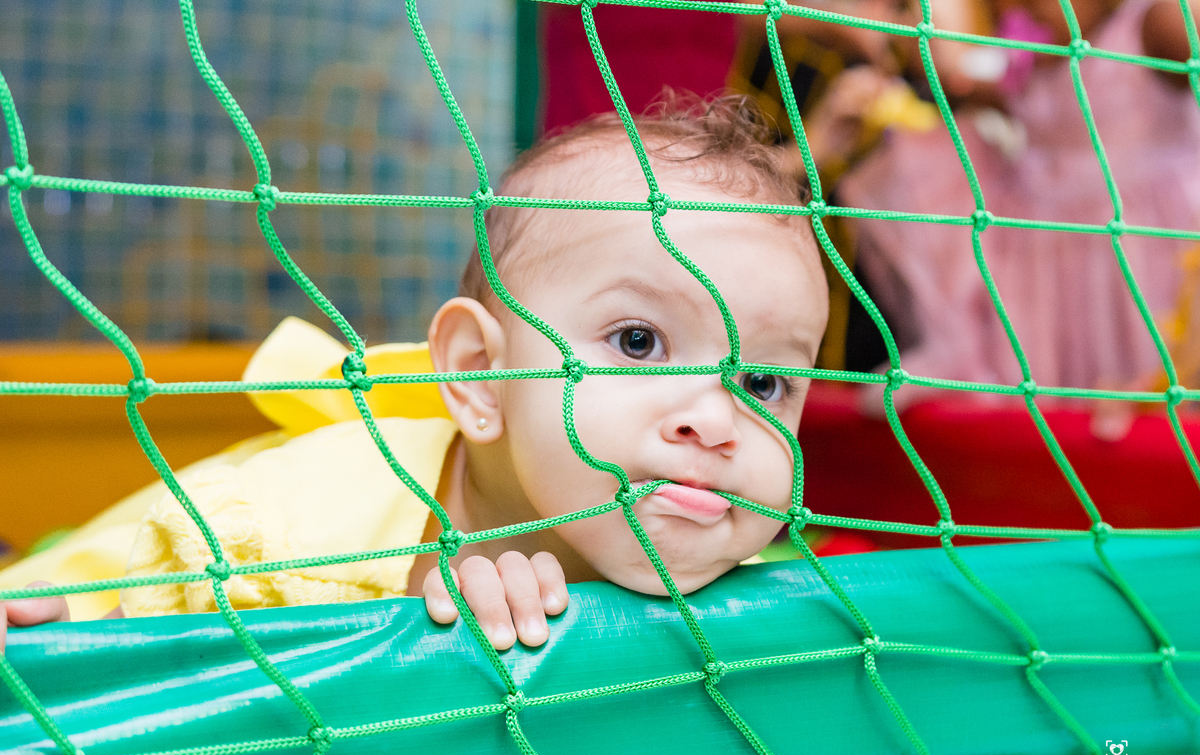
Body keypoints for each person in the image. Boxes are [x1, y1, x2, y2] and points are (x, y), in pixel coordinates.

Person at [0, 95, 829, 654]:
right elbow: (115, 656)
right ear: (480, 375)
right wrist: (65, 626)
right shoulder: (285, 527)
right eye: (639, 341)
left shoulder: (788, 596)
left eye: (763, 384)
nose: (715, 421)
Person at [837, 0, 1200, 412]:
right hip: (1051, 263)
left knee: (1149, 401)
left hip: (1142, 255)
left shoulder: (1158, 22)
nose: (1013, 6)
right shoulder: (1031, 36)